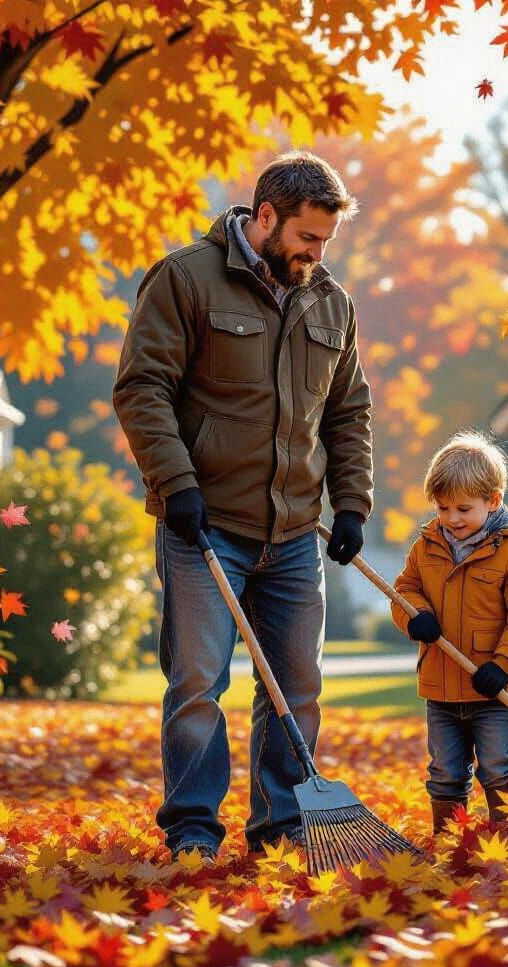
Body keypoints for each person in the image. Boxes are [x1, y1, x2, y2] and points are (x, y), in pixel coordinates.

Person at [112, 152, 374, 862]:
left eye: (326, 242)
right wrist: (178, 485)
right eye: (308, 239)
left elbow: (348, 412)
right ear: (265, 217)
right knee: (197, 683)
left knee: (297, 686)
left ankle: (282, 826)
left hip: (292, 534)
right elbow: (142, 390)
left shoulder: (331, 303)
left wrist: (351, 503)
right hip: (205, 527)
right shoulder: (186, 279)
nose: (317, 255)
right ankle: (193, 829)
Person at [391, 431, 508, 834]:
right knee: (444, 772)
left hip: (492, 689)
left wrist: (505, 663)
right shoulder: (426, 547)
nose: (451, 518)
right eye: (443, 508)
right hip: (441, 687)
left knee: (499, 768)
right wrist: (416, 615)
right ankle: (449, 842)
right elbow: (404, 590)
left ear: (493, 501)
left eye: (463, 508)